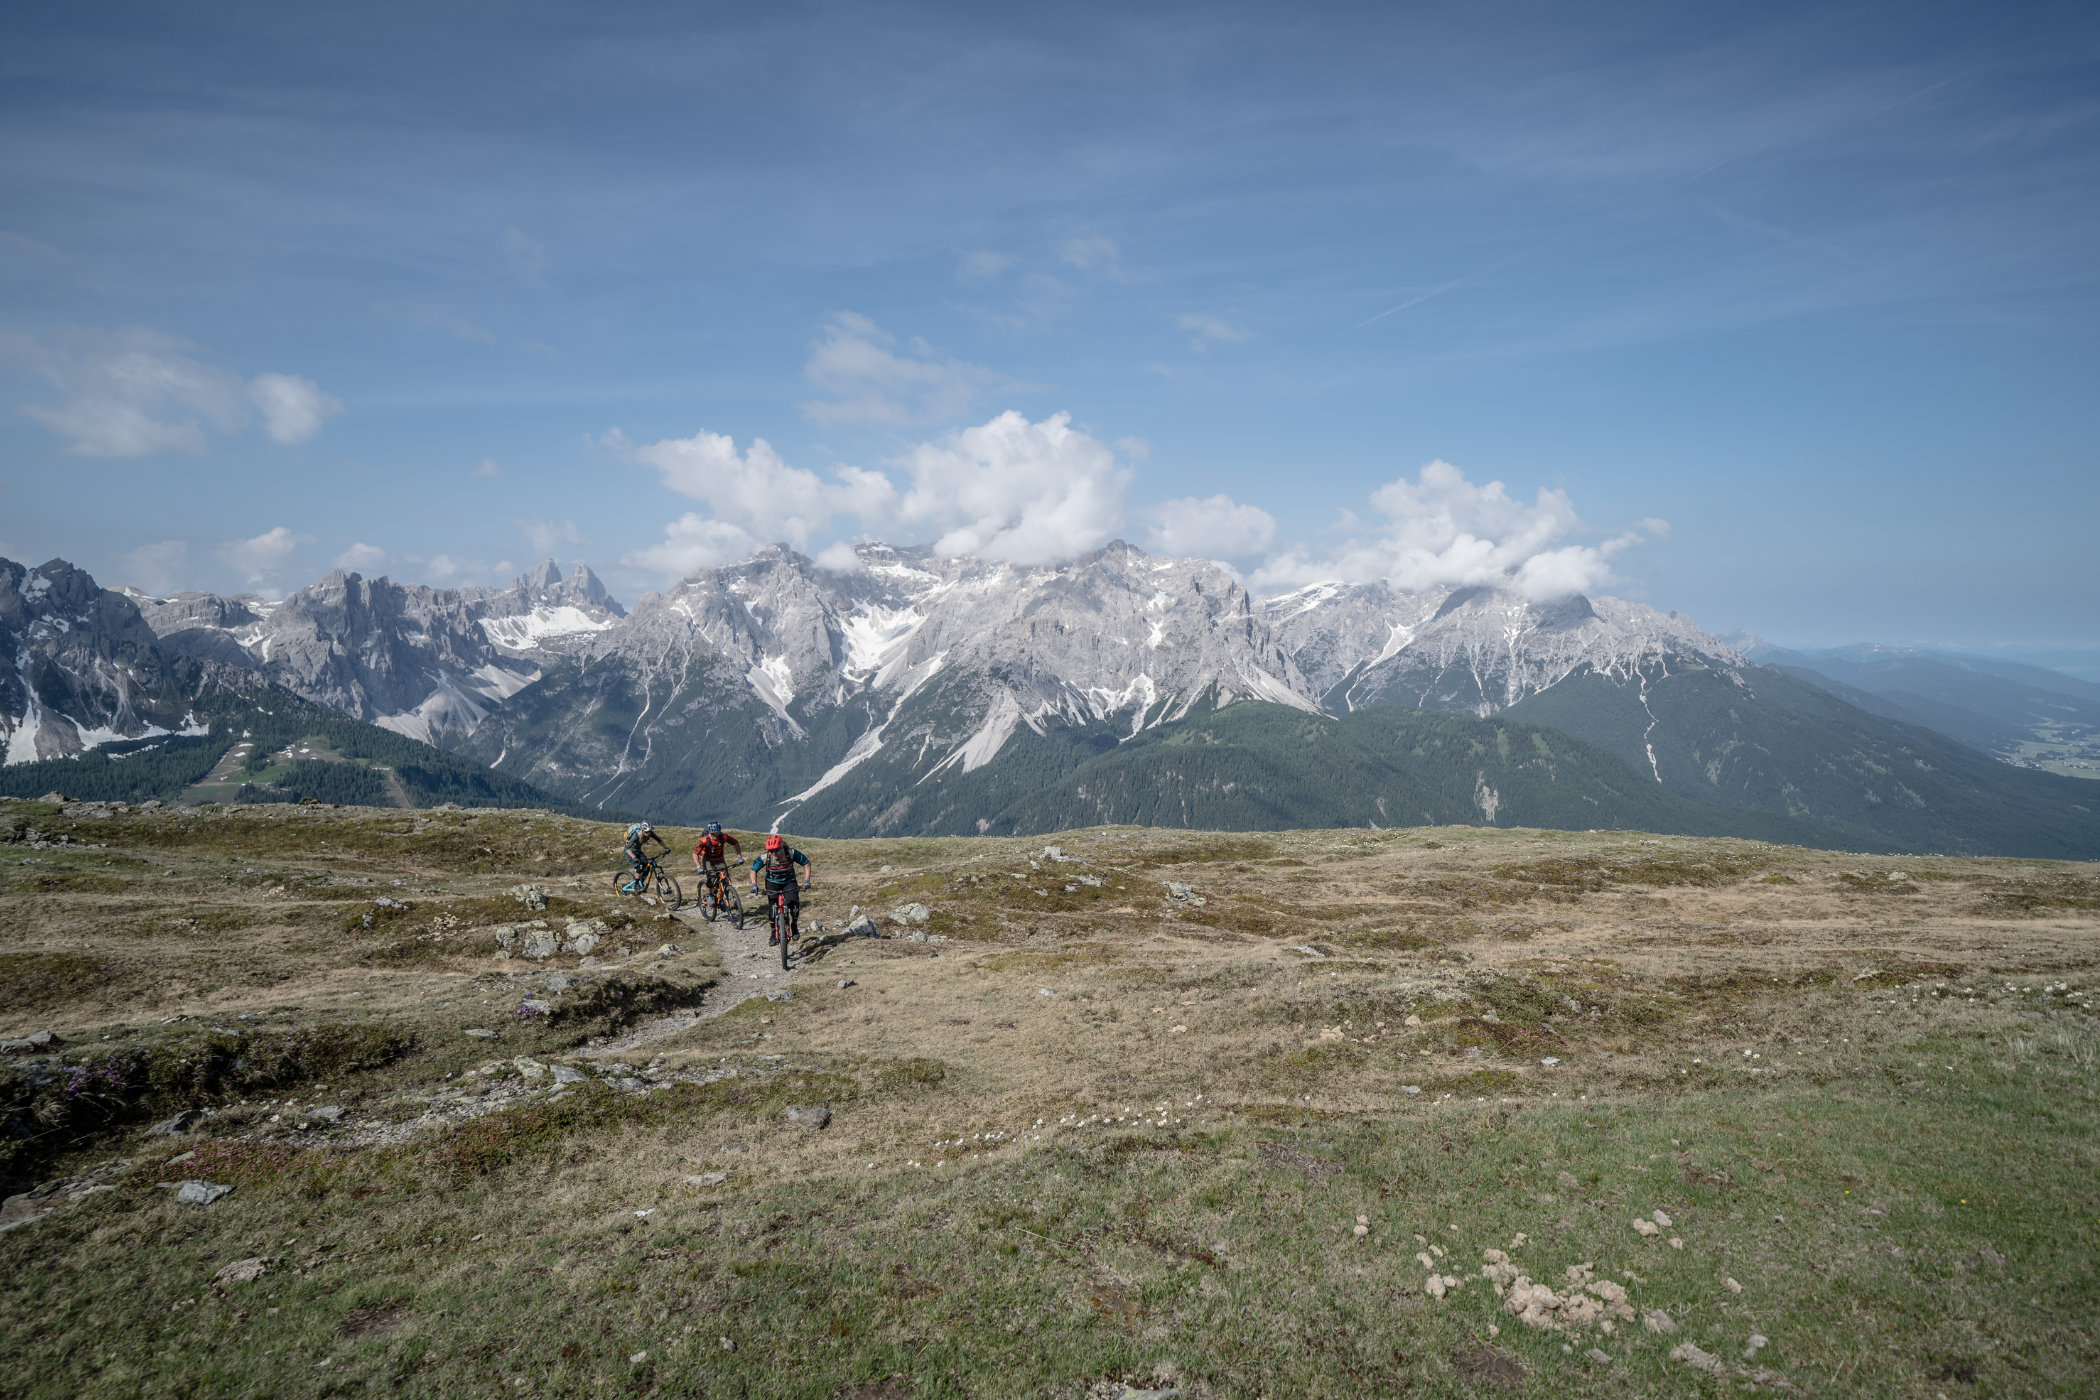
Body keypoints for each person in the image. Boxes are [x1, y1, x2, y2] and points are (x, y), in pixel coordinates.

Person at [749, 833, 813, 944]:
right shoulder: (766, 857)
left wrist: (806, 880)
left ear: (781, 847)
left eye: (776, 850)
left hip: (789, 881)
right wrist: (754, 884)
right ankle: (774, 933)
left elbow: (806, 863)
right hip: (772, 882)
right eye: (771, 851)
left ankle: (794, 925)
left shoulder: (790, 853)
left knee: (794, 907)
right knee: (773, 908)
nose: (773, 853)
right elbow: (753, 869)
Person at [692, 821, 743, 895]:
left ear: (719, 832)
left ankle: (729, 896)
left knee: (725, 877)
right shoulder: (704, 840)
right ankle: (709, 895)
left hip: (719, 859)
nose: (715, 836)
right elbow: (695, 854)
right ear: (710, 833)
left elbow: (736, 843)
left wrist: (739, 857)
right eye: (713, 834)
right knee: (711, 878)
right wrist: (698, 866)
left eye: (716, 833)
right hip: (707, 859)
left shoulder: (724, 837)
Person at [619, 820, 669, 888]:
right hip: (629, 852)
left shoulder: (650, 833)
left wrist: (666, 848)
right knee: (639, 866)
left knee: (647, 866)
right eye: (646, 832)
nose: (648, 833)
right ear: (642, 831)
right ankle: (636, 886)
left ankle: (640, 883)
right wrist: (634, 857)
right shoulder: (636, 835)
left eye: (649, 831)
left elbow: (658, 840)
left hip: (638, 851)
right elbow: (627, 848)